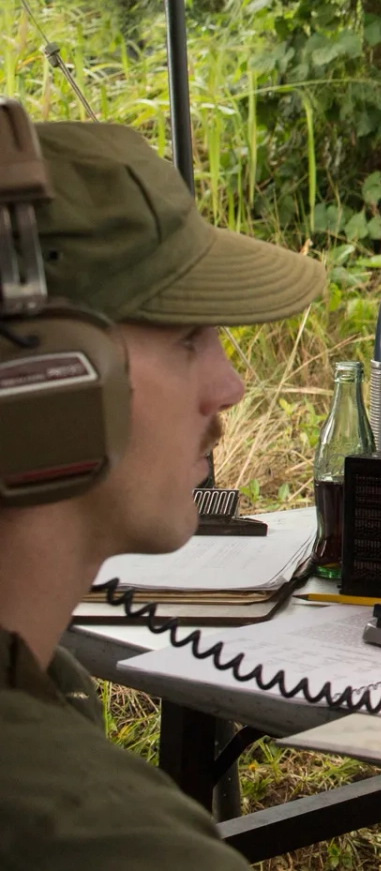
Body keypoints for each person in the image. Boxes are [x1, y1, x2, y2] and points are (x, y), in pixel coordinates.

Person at [0, 117, 325, 869]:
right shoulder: (107, 840)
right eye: (186, 340)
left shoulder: (47, 681)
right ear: (38, 387)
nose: (229, 387)